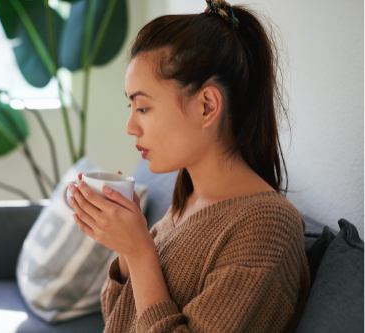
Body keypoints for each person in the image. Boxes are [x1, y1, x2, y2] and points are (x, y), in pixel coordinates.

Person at [66, 0, 311, 331]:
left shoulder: (267, 228)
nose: (130, 127)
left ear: (207, 106)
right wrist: (125, 245)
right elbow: (118, 318)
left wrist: (139, 251)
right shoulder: (187, 201)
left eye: (143, 108)